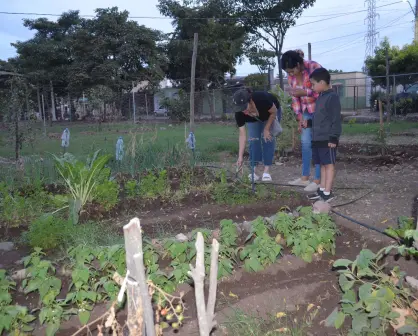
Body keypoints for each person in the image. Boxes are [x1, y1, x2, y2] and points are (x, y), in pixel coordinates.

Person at [281, 50, 322, 192]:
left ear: (299, 64)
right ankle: (305, 178)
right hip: (306, 112)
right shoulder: (291, 77)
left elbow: (324, 90)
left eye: (292, 71)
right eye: (288, 72)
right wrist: (299, 117)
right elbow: (295, 98)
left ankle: (318, 180)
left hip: (320, 111)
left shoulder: (314, 68)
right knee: (305, 143)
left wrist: (305, 92)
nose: (290, 74)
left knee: (318, 143)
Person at [307, 68, 342, 202]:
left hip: (328, 139)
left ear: (322, 82)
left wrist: (334, 137)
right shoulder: (321, 97)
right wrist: (309, 123)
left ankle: (327, 193)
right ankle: (322, 190)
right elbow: (321, 118)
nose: (312, 87)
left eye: (313, 84)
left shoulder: (332, 97)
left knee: (329, 165)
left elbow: (335, 119)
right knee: (321, 164)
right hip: (318, 138)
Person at [233, 88, 281, 182]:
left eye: (244, 108)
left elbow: (273, 112)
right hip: (254, 119)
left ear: (250, 101)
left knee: (267, 139)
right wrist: (240, 156)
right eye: (240, 109)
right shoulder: (239, 114)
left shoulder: (261, 99)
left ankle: (266, 171)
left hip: (270, 113)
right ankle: (254, 170)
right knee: (253, 140)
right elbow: (242, 135)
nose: (243, 111)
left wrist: (266, 129)